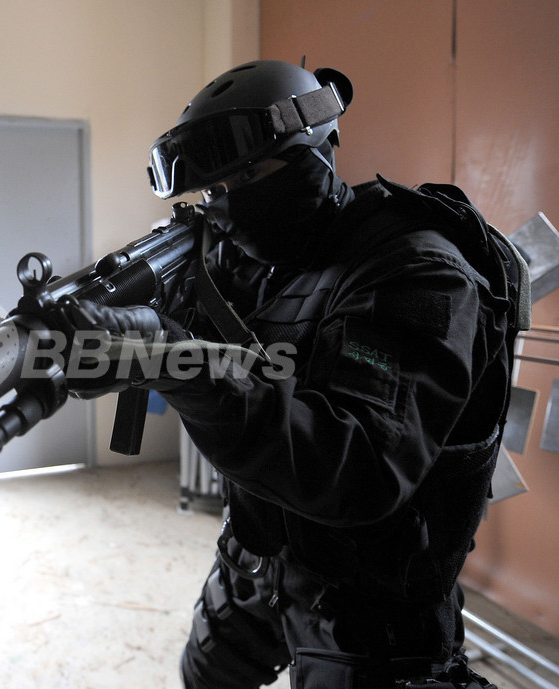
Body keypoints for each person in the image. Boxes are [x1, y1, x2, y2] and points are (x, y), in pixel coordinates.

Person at [72, 60, 529, 688]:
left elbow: (357, 469)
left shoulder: (418, 272)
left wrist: (171, 359)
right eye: (213, 193)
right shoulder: (251, 256)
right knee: (203, 676)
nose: (227, 208)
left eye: (249, 176)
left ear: (314, 146)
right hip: (256, 555)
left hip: (368, 606)